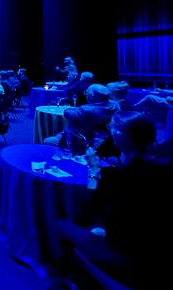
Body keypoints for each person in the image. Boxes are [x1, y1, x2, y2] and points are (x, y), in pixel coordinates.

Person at [55, 111, 173, 289]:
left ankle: (68, 279)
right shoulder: (164, 166)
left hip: (129, 259)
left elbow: (89, 206)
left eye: (112, 127)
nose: (109, 128)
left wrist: (94, 170)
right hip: (160, 254)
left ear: (119, 135)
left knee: (61, 224)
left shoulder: (117, 176)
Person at [44, 84, 120, 151]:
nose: (85, 95)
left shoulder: (86, 110)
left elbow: (67, 113)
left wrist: (72, 108)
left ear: (92, 97)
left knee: (46, 140)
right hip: (104, 139)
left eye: (86, 93)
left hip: (76, 140)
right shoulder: (115, 105)